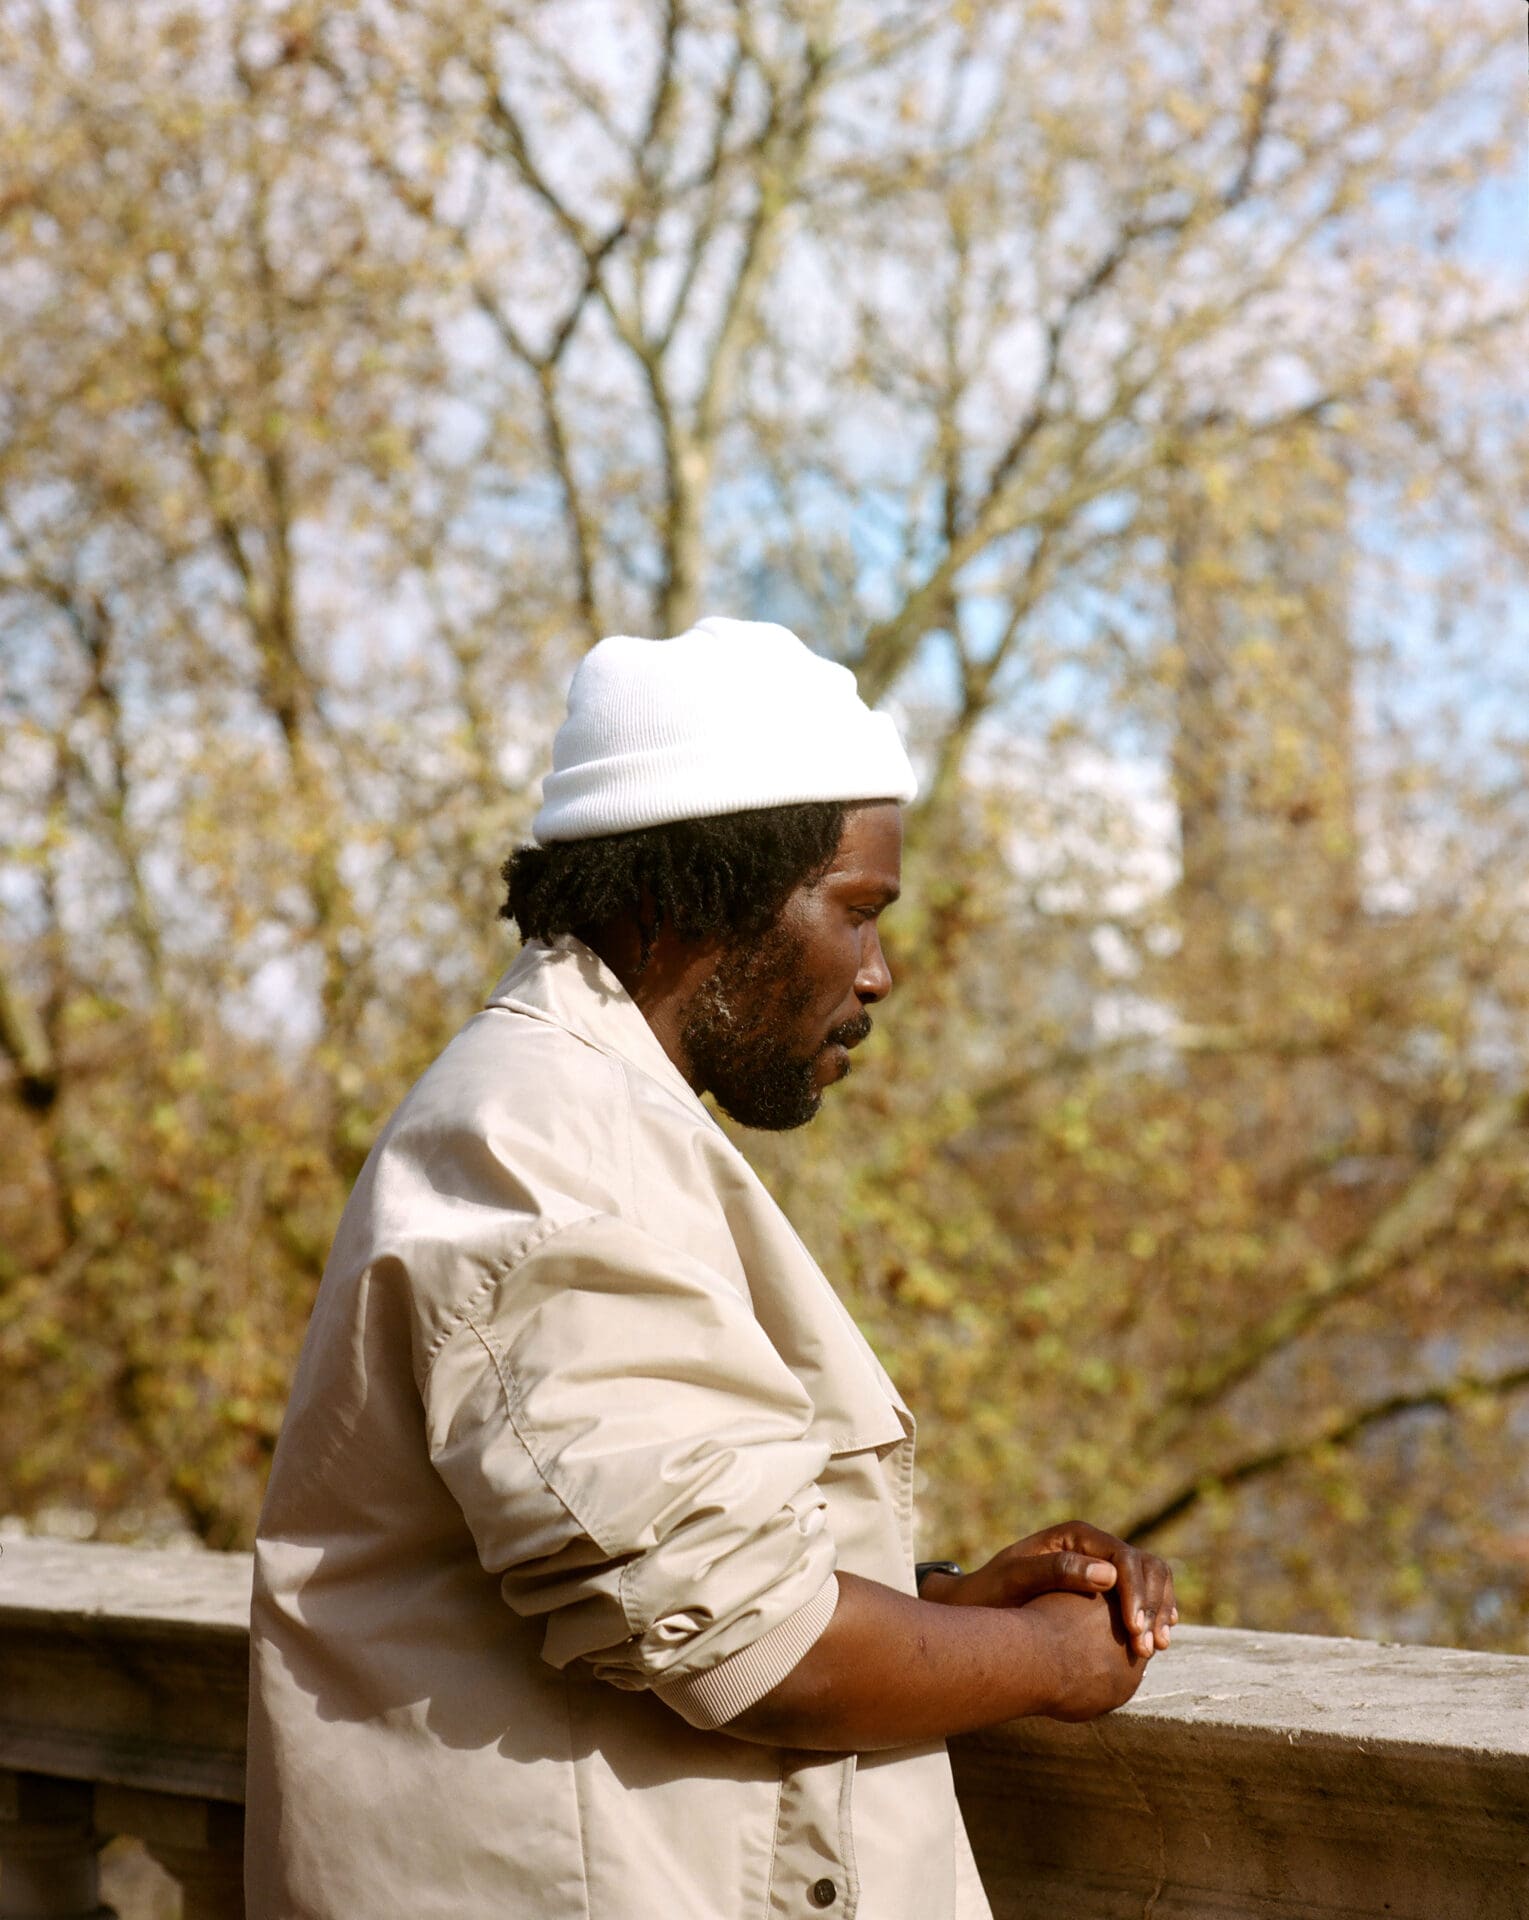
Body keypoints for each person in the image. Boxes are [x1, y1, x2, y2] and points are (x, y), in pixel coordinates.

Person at [246, 616, 1176, 1919]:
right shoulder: (543, 1143)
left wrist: (941, 1601)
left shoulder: (577, 1113)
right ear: (689, 902)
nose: (880, 972)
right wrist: (1044, 1656)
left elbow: (643, 1552)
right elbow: (748, 1645)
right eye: (854, 913)